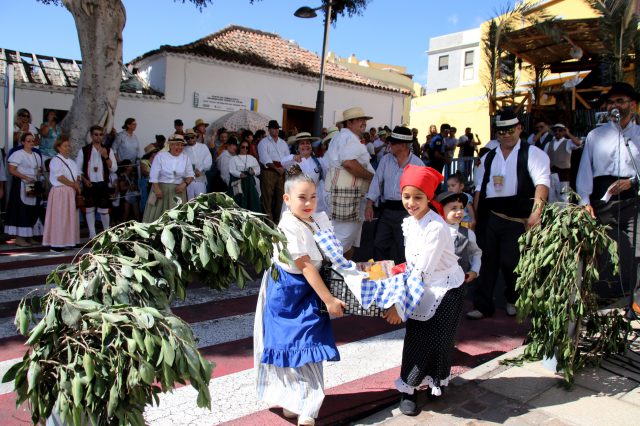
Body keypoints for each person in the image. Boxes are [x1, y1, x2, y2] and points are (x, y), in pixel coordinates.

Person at [254, 165, 345, 426]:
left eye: (313, 197)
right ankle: (301, 404)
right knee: (293, 345)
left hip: (308, 286)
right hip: (288, 290)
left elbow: (331, 254)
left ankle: (304, 404)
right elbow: (305, 266)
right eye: (302, 197)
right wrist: (328, 300)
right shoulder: (288, 225)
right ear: (287, 199)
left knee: (308, 345)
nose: (308, 203)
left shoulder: (317, 218)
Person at [384, 164, 465, 416]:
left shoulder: (437, 227)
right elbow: (414, 263)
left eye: (418, 197)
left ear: (429, 197)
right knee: (416, 340)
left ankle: (436, 382)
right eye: (406, 196)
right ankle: (408, 390)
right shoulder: (409, 223)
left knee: (439, 340)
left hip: (446, 288)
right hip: (421, 285)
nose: (411, 203)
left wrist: (398, 306)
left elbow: (423, 271)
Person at [467, 109, 550, 320]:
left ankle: (513, 298)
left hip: (517, 218)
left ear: (520, 129)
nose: (506, 134)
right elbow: (479, 188)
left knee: (511, 261)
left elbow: (542, 184)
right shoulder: (488, 157)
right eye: (502, 131)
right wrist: (475, 218)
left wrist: (536, 214)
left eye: (510, 129)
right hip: (491, 215)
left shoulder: (534, 154)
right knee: (486, 261)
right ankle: (483, 305)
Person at [577, 82, 640, 299]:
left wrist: (632, 182)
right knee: (606, 247)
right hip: (604, 199)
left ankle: (632, 299)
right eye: (611, 101)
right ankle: (605, 296)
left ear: (632, 105)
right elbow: (585, 170)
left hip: (633, 198)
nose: (615, 105)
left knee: (634, 250)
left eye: (620, 101)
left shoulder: (639, 135)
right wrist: (585, 201)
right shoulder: (596, 135)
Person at [365, 126, 425, 264]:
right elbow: (377, 181)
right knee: (379, 244)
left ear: (403, 145)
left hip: (408, 213)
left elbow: (424, 193)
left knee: (404, 248)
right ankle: (381, 276)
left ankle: (404, 279)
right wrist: (369, 204)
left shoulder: (418, 164)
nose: (389, 144)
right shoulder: (386, 160)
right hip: (387, 210)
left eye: (392, 142)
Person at [325, 107, 375, 259]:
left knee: (347, 240)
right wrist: (370, 176)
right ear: (350, 123)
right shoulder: (349, 138)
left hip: (346, 194)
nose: (364, 123)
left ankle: (340, 276)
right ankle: (331, 276)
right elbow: (348, 163)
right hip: (347, 195)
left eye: (364, 120)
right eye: (360, 120)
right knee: (342, 240)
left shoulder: (344, 137)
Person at [76, 125, 118, 238]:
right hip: (89, 184)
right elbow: (78, 170)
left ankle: (106, 233)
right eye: (96, 134)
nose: (98, 137)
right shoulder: (84, 150)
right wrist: (84, 180)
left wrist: (105, 156)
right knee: (90, 209)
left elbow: (114, 168)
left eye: (100, 134)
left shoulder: (108, 150)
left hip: (102, 183)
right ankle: (92, 234)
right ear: (91, 135)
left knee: (104, 210)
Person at [4, 132, 45, 247]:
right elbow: (11, 169)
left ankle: (29, 235)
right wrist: (25, 177)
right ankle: (19, 237)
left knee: (33, 209)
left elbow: (39, 169)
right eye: (28, 141)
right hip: (22, 184)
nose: (31, 143)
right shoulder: (18, 154)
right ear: (23, 142)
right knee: (22, 209)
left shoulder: (37, 155)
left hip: (34, 184)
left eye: (32, 140)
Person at [142, 134, 195, 223]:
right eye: (177, 144)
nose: (180, 147)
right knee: (157, 217)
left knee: (176, 218)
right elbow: (153, 175)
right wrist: (157, 189)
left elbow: (190, 175)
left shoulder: (185, 158)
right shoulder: (161, 156)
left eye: (182, 145)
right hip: (161, 190)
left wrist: (184, 184)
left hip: (178, 191)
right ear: (170, 145)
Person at [43, 137, 81, 251]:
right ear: (58, 148)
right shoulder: (55, 160)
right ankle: (56, 244)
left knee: (70, 217)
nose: (68, 148)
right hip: (60, 191)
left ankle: (69, 241)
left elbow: (77, 174)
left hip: (70, 191)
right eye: (65, 146)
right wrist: (73, 184)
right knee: (60, 217)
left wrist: (77, 183)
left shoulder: (72, 161)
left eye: (68, 145)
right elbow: (59, 177)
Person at [436, 191, 482, 283]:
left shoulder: (468, 233)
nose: (460, 212)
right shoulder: (433, 231)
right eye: (454, 208)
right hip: (436, 282)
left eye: (461, 208)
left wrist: (474, 271)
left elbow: (475, 253)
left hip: (459, 283)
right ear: (440, 210)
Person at [282, 132, 328, 214]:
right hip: (297, 199)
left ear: (311, 146)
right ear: (297, 147)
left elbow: (325, 178)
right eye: (302, 143)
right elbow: (283, 162)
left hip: (315, 201)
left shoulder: (319, 162)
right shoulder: (292, 161)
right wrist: (293, 157)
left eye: (308, 143)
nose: (305, 145)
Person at [258, 120, 290, 224]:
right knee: (267, 197)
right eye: (273, 128)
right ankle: (268, 221)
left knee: (281, 197)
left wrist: (283, 169)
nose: (276, 130)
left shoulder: (283, 143)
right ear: (269, 129)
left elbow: (287, 157)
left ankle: (278, 221)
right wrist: (277, 169)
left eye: (277, 128)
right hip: (269, 171)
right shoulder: (263, 142)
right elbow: (264, 158)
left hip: (281, 170)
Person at [545, 123, 582, 202]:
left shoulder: (568, 142)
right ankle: (554, 214)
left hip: (563, 174)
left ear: (563, 132)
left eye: (560, 130)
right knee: (552, 197)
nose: (557, 132)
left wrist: (568, 134)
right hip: (551, 173)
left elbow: (578, 143)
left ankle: (564, 213)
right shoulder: (549, 144)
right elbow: (544, 158)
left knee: (564, 196)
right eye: (555, 130)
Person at [228, 139, 261, 212]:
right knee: (237, 201)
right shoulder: (233, 159)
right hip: (237, 181)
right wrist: (239, 174)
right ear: (239, 147)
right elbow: (232, 170)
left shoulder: (251, 158)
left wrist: (253, 171)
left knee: (252, 200)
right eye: (243, 147)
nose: (245, 149)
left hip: (249, 182)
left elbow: (258, 169)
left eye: (247, 147)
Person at [183, 128, 212, 200]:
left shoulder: (203, 147)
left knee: (202, 202)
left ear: (196, 137)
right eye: (187, 138)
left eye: (192, 137)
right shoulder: (183, 150)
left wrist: (200, 169)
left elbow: (208, 161)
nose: (190, 139)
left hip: (200, 179)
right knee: (190, 203)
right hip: (188, 181)